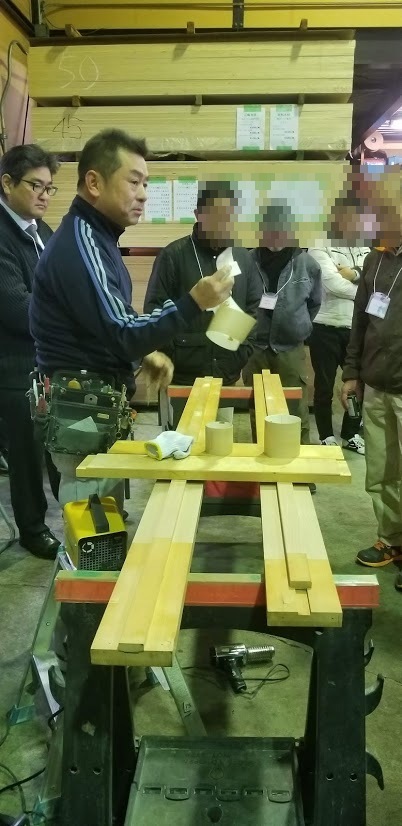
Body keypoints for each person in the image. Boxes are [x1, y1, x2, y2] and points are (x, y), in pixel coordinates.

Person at [29, 129, 234, 520]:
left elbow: (105, 323)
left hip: (93, 403)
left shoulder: (98, 238)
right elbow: (122, 333)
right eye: (134, 182)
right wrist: (193, 302)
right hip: (81, 407)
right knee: (91, 526)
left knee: (105, 518)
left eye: (146, 184)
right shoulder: (83, 242)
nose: (143, 194)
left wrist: (144, 353)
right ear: (94, 183)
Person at [143, 182, 262, 425]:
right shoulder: (173, 256)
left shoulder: (242, 257)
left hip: (226, 376)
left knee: (220, 442)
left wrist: (242, 352)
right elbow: (155, 309)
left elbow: (253, 307)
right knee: (182, 442)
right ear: (198, 214)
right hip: (183, 379)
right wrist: (173, 353)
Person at [0, 144, 61, 559]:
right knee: (26, 449)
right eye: (35, 185)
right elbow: (18, 309)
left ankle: (77, 510)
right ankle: (32, 528)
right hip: (13, 365)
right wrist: (67, 315)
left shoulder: (43, 231)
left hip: (47, 360)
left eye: (48, 187)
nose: (43, 195)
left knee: (61, 439)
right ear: (7, 183)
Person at [341, 244, 402, 590]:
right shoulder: (374, 259)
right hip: (378, 382)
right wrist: (352, 372)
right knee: (381, 470)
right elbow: (360, 320)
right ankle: (392, 539)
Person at [242, 204, 322, 447]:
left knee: (295, 411)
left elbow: (314, 304)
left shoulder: (307, 264)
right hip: (255, 349)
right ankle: (262, 461)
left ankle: (299, 466)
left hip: (290, 350)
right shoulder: (246, 261)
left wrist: (297, 326)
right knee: (259, 410)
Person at [307, 245, 369, 454]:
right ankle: (326, 436)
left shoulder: (365, 248)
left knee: (359, 383)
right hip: (324, 326)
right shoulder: (319, 246)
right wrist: (365, 292)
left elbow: (373, 279)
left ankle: (350, 434)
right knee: (324, 385)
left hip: (356, 327)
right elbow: (333, 284)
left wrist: (354, 274)